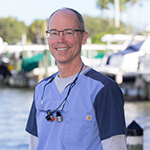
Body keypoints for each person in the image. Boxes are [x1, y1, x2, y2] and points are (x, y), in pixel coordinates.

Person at [26, 7, 127, 150]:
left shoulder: (103, 89)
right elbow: (33, 145)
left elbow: (116, 147)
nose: (60, 40)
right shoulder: (41, 89)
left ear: (83, 37)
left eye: (68, 32)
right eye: (54, 33)